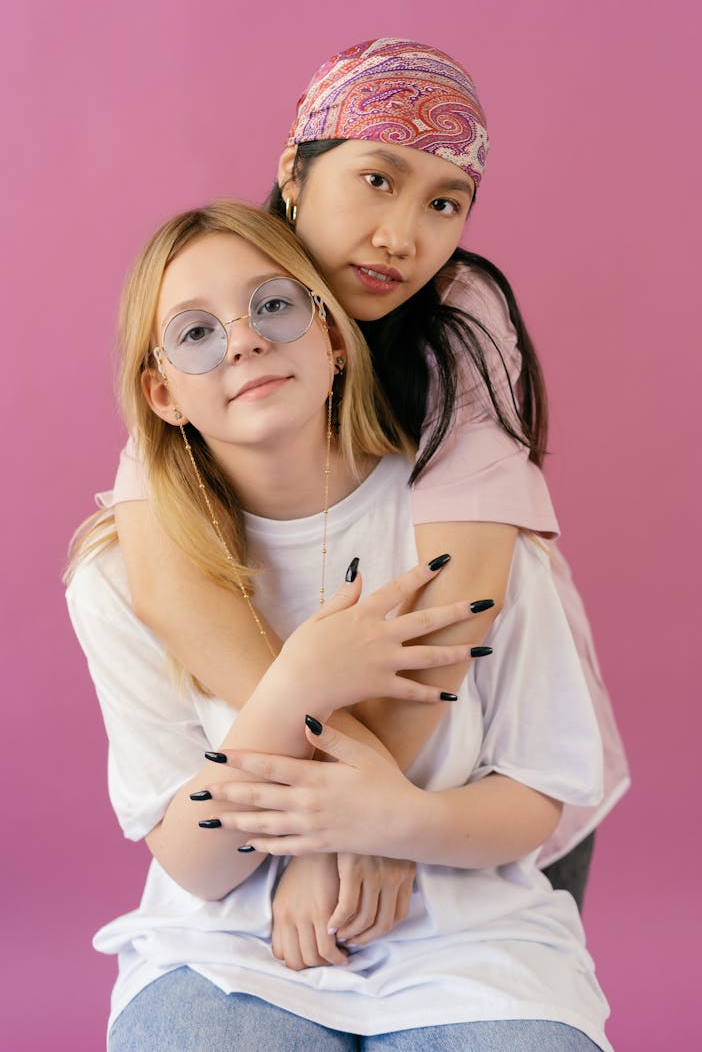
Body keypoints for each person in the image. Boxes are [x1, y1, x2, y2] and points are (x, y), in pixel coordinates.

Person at [67, 201, 611, 1049]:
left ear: (332, 335)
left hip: (469, 941)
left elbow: (536, 795)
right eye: (197, 333)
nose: (242, 341)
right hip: (227, 946)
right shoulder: (115, 575)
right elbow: (197, 863)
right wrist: (296, 683)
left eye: (274, 306)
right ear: (163, 392)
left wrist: (388, 821)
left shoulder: (466, 535)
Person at [109, 38, 629, 914]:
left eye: (445, 202)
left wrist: (370, 815)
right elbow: (169, 583)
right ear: (296, 170)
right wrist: (336, 811)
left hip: (487, 763)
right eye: (378, 180)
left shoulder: (462, 317)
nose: (403, 236)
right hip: (325, 789)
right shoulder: (222, 292)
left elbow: (456, 599)